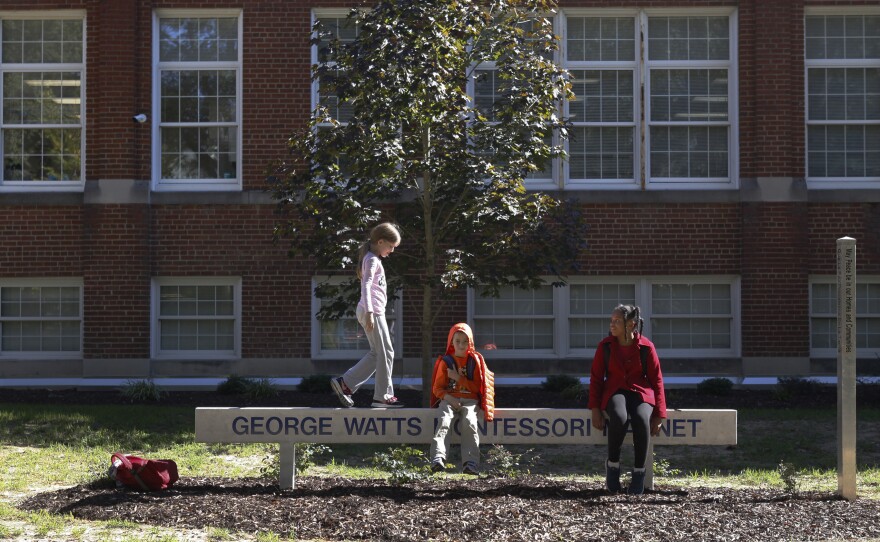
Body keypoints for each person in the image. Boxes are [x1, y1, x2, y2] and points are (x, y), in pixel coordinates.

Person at [589, 304, 666, 495]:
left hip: (641, 392)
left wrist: (659, 414)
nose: (612, 325)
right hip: (615, 391)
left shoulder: (646, 347)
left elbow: (656, 380)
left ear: (631, 325)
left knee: (641, 420)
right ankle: (613, 466)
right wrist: (595, 409)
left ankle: (639, 473)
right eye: (611, 321)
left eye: (617, 321)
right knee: (619, 418)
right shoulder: (605, 346)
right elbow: (596, 379)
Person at [331, 222, 404, 408]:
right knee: (386, 352)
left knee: (377, 353)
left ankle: (345, 383)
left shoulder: (373, 258)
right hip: (372, 311)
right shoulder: (372, 259)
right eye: (390, 246)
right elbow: (366, 284)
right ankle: (382, 396)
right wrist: (371, 312)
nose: (392, 251)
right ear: (380, 242)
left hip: (370, 310)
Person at [429, 323, 495, 475]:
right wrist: (449, 398)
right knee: (443, 420)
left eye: (465, 341)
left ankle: (470, 462)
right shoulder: (446, 362)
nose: (461, 345)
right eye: (457, 341)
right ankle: (438, 458)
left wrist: (458, 378)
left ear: (470, 342)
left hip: (470, 401)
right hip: (449, 399)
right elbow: (437, 388)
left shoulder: (475, 361)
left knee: (470, 422)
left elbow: (477, 388)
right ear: (451, 342)